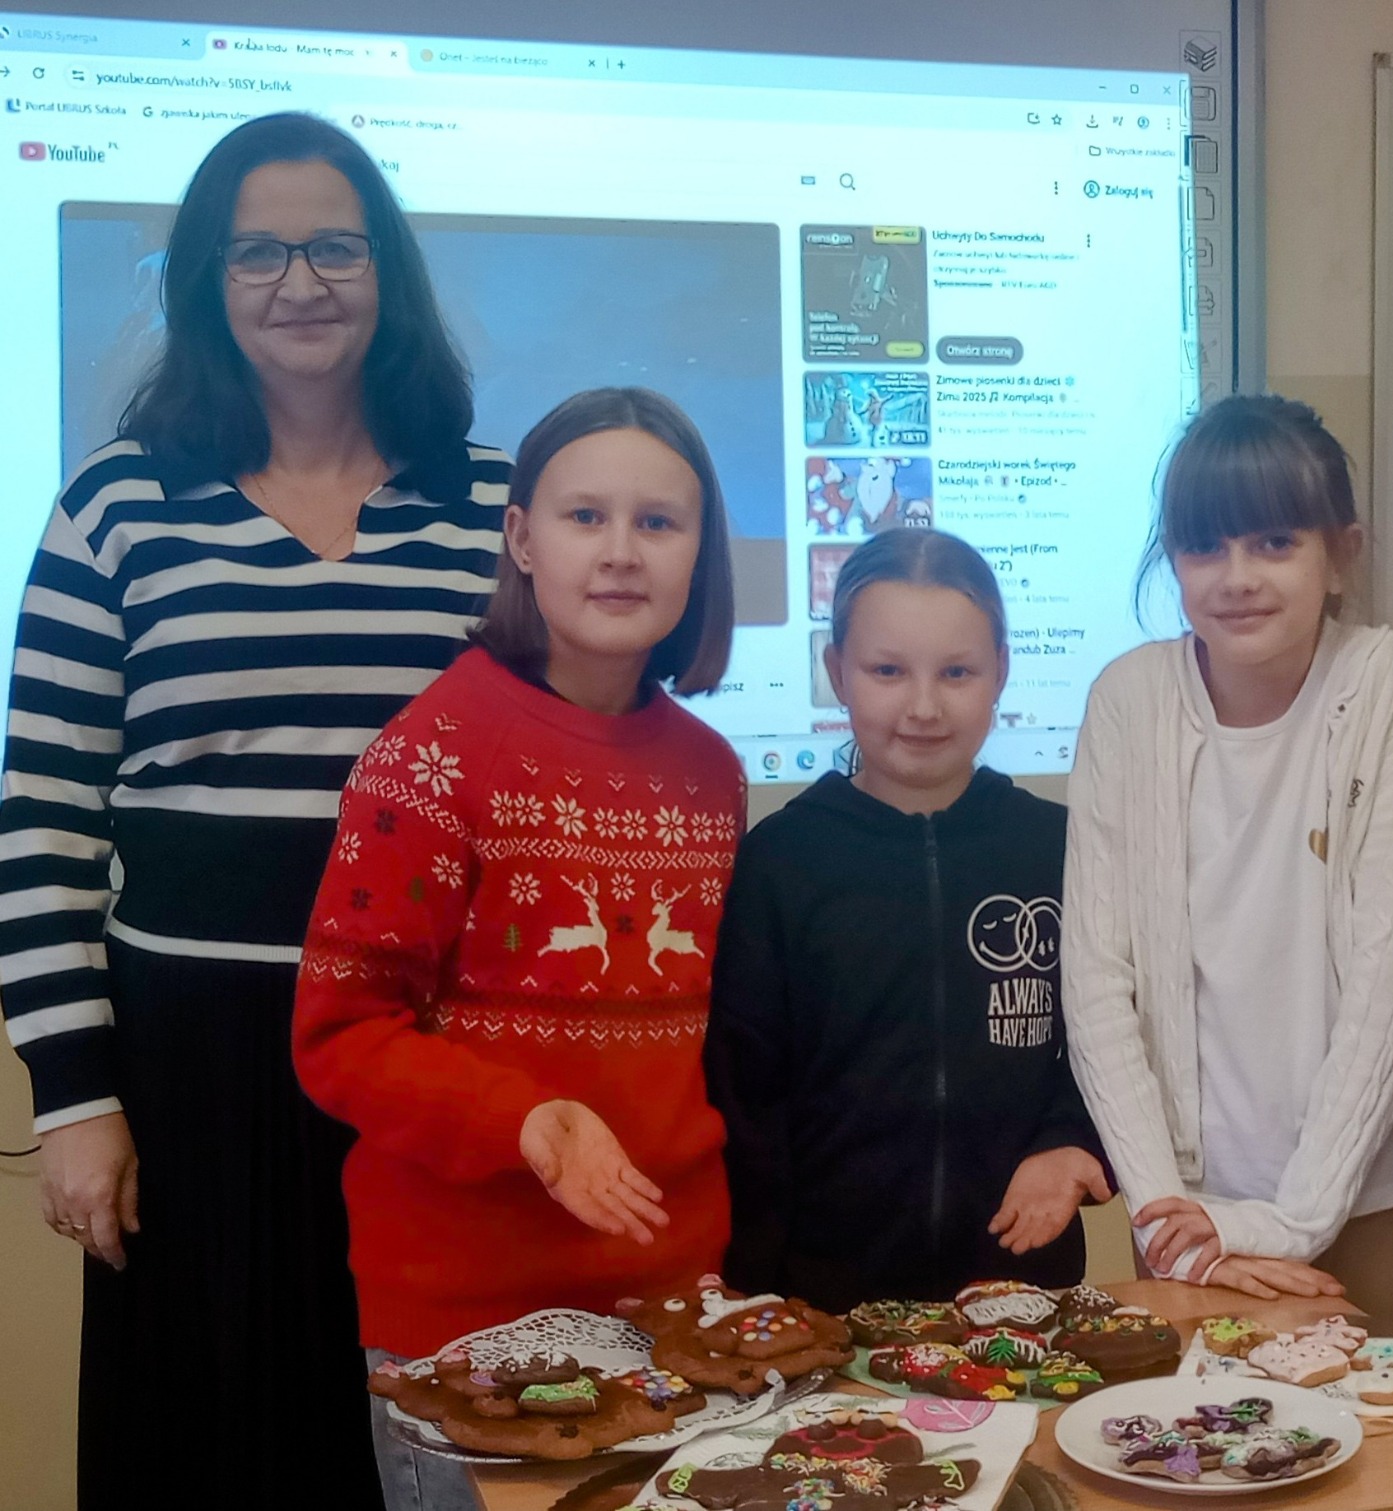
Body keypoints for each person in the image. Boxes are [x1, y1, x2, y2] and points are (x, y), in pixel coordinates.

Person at [0, 112, 506, 1508]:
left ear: (386, 268)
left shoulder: (493, 505)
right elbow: (42, 822)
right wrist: (74, 1101)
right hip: (193, 1075)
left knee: (417, 1448)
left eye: (335, 246)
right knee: (203, 1443)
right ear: (206, 283)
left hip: (425, 1060)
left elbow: (549, 776)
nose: (300, 282)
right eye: (257, 253)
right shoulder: (116, 505)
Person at [294, 387, 740, 1510]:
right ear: (521, 538)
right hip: (465, 1327)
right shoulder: (431, 754)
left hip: (669, 1308)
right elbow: (341, 1035)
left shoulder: (712, 774)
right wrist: (525, 1121)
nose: (622, 551)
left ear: (699, 553)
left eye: (659, 521)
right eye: (586, 516)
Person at [1061, 394, 1393, 1315]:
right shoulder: (1127, 700)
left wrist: (1292, 1222)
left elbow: (1389, 975)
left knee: (1377, 1405)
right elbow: (1098, 983)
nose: (1237, 577)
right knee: (1195, 1411)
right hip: (1189, 1210)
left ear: (1340, 554)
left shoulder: (1379, 679)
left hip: (1361, 1194)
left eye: (1273, 542)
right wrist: (1165, 1217)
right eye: (1205, 546)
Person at [705, 528, 1109, 1312]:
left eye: (957, 672)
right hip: (827, 1303)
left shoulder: (1060, 848)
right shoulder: (780, 861)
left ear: (1001, 671)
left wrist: (1071, 1140)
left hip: (1023, 1288)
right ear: (836, 671)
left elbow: (1113, 1035)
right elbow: (745, 1100)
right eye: (887, 671)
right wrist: (755, 1286)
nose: (924, 706)